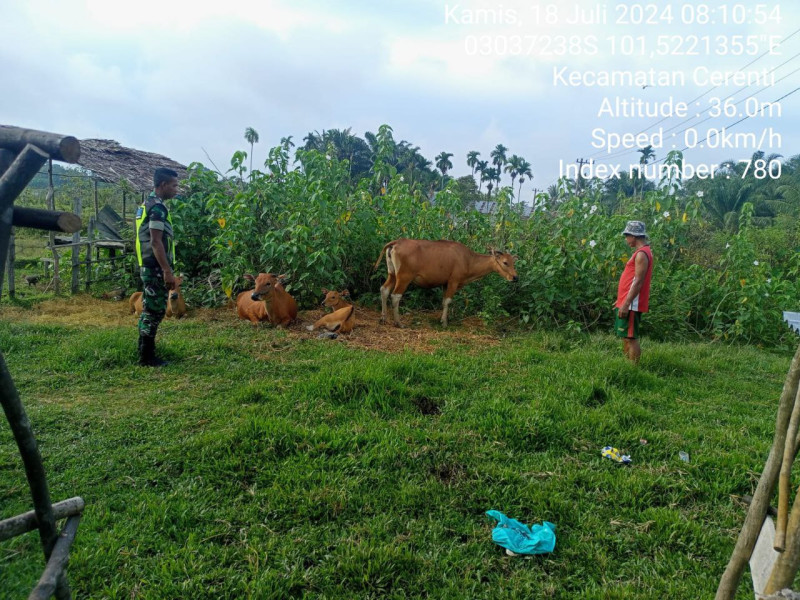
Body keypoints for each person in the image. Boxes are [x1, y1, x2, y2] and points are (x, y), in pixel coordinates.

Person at [135, 167, 179, 366]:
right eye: (174, 185)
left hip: (148, 264)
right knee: (155, 311)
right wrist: (166, 270)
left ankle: (143, 351)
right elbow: (155, 241)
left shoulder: (146, 204)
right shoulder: (158, 208)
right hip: (154, 267)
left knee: (149, 309)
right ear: (163, 185)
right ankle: (147, 357)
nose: (176, 189)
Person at [614, 220, 653, 364]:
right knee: (626, 336)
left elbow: (638, 282)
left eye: (626, 236)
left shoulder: (642, 254)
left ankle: (632, 370)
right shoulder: (641, 252)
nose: (626, 239)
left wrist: (626, 303)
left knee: (631, 337)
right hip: (628, 301)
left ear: (634, 236)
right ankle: (627, 365)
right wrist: (621, 300)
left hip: (632, 304)